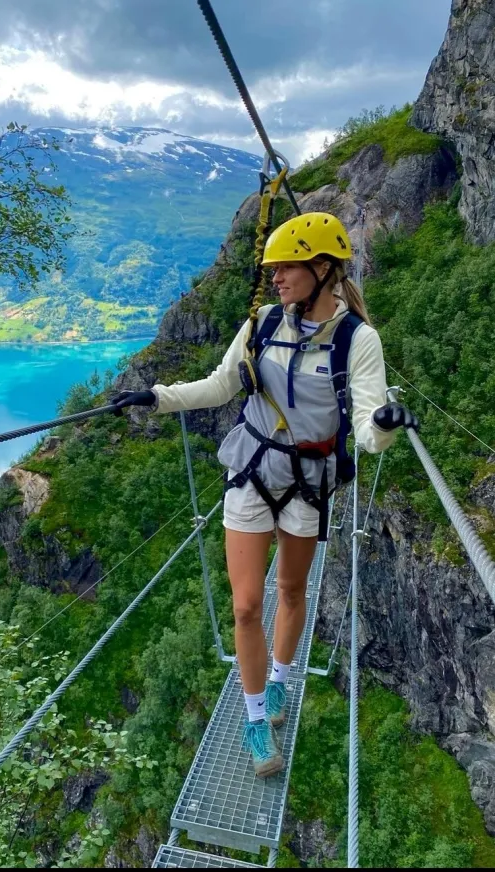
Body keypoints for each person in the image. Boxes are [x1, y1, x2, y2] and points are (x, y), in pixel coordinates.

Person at [110, 211, 419, 778]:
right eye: (273, 269)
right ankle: (256, 719)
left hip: (309, 480)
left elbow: (369, 432)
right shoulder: (261, 323)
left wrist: (387, 422)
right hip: (252, 469)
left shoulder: (358, 340)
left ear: (323, 269)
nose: (275, 278)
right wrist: (154, 397)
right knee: (247, 604)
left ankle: (280, 678)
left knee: (291, 589)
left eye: (286, 268)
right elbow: (220, 386)